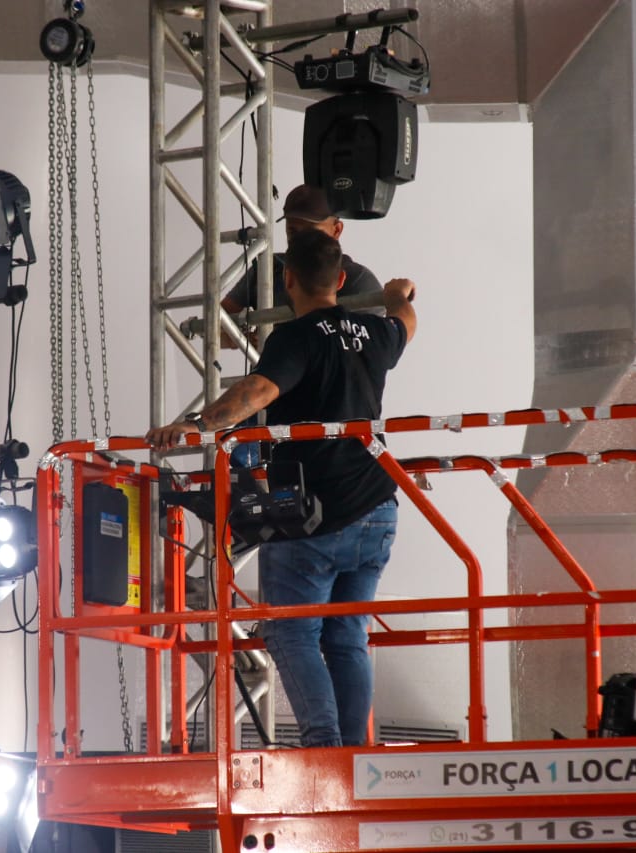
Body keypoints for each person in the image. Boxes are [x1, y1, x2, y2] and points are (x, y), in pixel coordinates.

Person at [147, 228, 417, 747]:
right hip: (378, 508)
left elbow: (259, 390)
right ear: (340, 280)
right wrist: (396, 297)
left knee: (293, 632)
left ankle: (323, 746)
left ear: (288, 280)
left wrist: (197, 426)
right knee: (347, 635)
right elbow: (406, 322)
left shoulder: (295, 339)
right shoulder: (374, 332)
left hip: (315, 517)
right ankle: (352, 751)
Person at [221, 183, 383, 347]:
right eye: (293, 231)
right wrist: (244, 339)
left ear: (337, 230)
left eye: (311, 232)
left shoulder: (359, 282)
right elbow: (215, 327)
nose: (301, 241)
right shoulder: (269, 268)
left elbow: (372, 350)